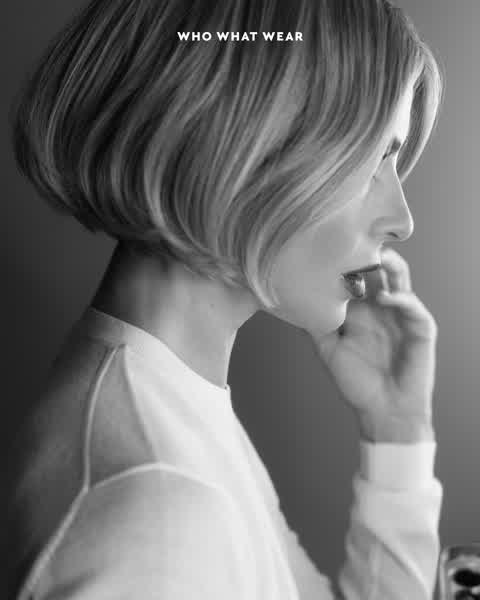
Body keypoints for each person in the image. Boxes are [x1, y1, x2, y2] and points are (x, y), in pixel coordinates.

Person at [7, 0, 444, 598]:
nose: (401, 221)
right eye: (375, 161)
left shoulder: (174, 407)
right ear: (240, 142)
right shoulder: (161, 513)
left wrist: (398, 428)